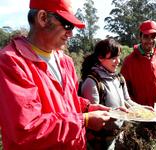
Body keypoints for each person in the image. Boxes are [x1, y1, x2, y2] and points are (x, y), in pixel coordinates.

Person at [0, 0, 111, 149]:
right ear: (43, 18)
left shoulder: (65, 61)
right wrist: (83, 120)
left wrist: (88, 108)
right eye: (67, 25)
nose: (71, 33)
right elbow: (25, 130)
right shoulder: (11, 62)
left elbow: (66, 102)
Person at [80, 38, 143, 150]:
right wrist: (118, 114)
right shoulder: (92, 82)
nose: (118, 61)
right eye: (113, 58)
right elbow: (95, 117)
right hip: (100, 141)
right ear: (100, 58)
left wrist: (143, 108)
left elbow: (127, 101)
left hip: (118, 134)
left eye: (118, 56)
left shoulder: (119, 78)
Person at [121, 20, 156, 107]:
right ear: (140, 37)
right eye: (146, 36)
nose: (150, 40)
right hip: (140, 114)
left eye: (153, 36)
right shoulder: (129, 61)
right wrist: (135, 108)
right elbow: (123, 88)